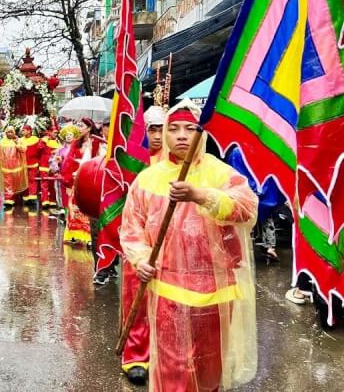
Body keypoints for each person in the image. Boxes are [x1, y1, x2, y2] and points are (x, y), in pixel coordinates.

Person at [119, 99, 258, 392]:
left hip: (216, 294)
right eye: (174, 128)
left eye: (191, 128)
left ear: (202, 133)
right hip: (169, 292)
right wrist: (142, 259)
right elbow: (132, 228)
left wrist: (201, 195)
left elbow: (247, 208)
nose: (182, 135)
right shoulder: (147, 180)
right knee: (171, 367)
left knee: (209, 367)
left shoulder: (221, 174)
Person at [118, 105, 167, 385]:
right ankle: (136, 353)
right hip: (138, 239)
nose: (159, 136)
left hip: (171, 243)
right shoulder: (134, 159)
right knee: (137, 296)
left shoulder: (178, 161)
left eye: (164, 128)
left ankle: (164, 354)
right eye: (153, 129)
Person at [60, 119, 100, 246]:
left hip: (90, 179)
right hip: (76, 179)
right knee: (74, 206)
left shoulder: (97, 143)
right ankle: (73, 234)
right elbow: (68, 162)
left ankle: (88, 236)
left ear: (89, 128)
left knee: (87, 207)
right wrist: (67, 181)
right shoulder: (75, 144)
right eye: (78, 126)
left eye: (82, 126)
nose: (79, 129)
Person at [0, 126, 28, 209]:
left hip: (17, 167)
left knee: (16, 183)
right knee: (8, 183)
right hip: (5, 167)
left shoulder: (18, 140)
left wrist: (17, 143)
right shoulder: (2, 142)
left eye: (11, 132)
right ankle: (8, 200)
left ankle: (15, 199)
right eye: (8, 132)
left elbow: (23, 149)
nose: (9, 134)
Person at [51, 124, 79, 218]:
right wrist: (57, 167)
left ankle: (73, 213)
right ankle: (65, 212)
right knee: (63, 194)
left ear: (74, 136)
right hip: (63, 176)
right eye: (66, 135)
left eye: (70, 134)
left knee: (74, 194)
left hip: (74, 176)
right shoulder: (60, 149)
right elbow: (53, 161)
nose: (68, 136)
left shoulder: (77, 149)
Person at [38, 127, 61, 212]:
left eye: (56, 133)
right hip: (44, 165)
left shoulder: (58, 142)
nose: (56, 134)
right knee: (44, 184)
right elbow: (39, 148)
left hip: (54, 166)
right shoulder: (44, 140)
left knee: (52, 184)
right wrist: (44, 141)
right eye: (54, 132)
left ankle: (52, 201)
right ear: (50, 132)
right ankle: (45, 201)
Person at [20, 125, 42, 206]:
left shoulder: (36, 140)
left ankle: (32, 198)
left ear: (29, 131)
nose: (23, 132)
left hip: (33, 164)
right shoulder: (20, 140)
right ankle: (25, 197)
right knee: (24, 181)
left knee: (32, 180)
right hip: (23, 164)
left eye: (24, 130)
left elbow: (40, 151)